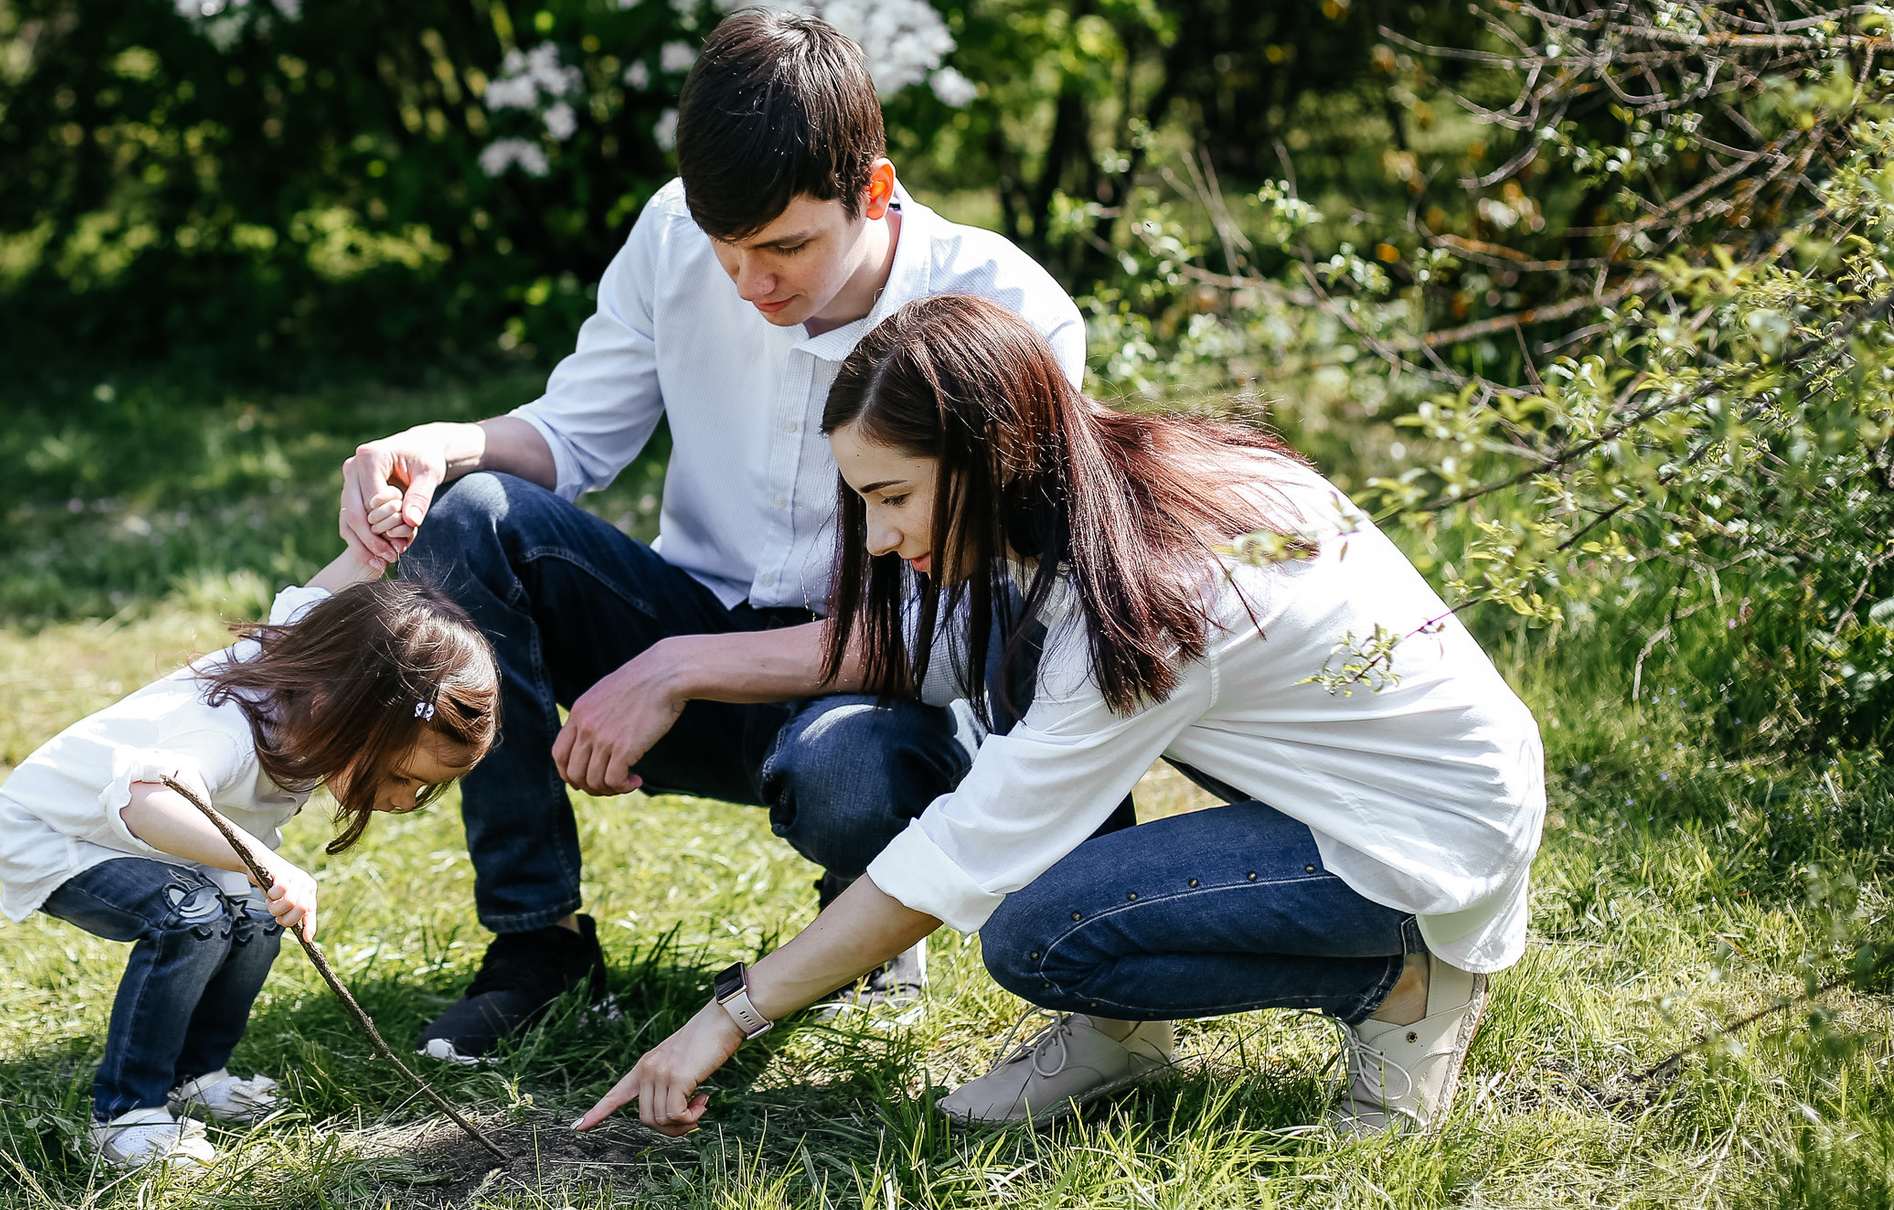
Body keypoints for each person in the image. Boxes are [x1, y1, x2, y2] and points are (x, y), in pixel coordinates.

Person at [579, 294, 1546, 1139]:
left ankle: (1404, 990)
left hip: (1423, 839)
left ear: (990, 452)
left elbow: (962, 851)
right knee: (1041, 854)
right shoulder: (1105, 496)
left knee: (1036, 932)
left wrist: (731, 1014)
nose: (877, 536)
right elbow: (948, 654)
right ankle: (1122, 1037)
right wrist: (682, 666)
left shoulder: (1151, 595)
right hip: (1377, 785)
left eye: (893, 497)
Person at [338, 10, 1086, 1062]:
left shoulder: (1005, 311)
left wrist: (679, 668)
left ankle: (864, 917)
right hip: (685, 620)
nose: (749, 283)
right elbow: (572, 435)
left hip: (879, 697)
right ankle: (536, 945)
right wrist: (441, 442)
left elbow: (961, 632)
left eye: (784, 247)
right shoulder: (669, 234)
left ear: (874, 191)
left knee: (855, 775)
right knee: (469, 514)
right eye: (726, 250)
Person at [0, 546, 498, 1169]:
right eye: (400, 775)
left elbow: (328, 601)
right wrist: (265, 859)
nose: (402, 801)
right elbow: (147, 801)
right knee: (190, 918)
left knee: (257, 916)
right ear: (347, 714)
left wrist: (367, 550)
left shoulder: (324, 669)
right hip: (60, 832)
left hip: (158, 835)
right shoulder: (226, 731)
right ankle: (126, 1114)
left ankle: (197, 1077)